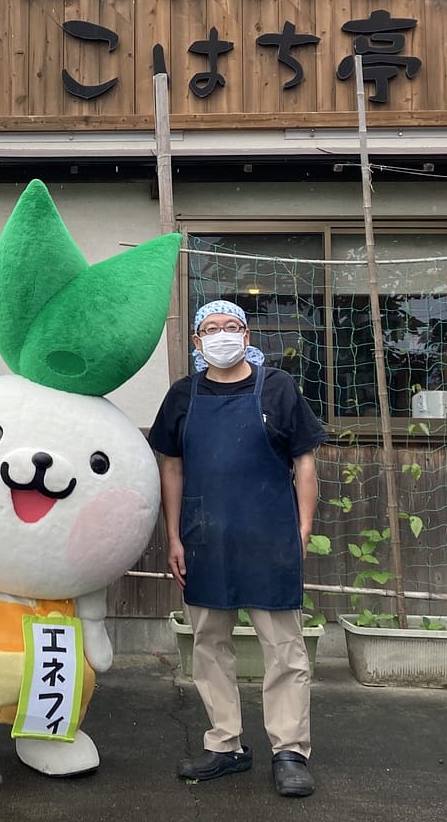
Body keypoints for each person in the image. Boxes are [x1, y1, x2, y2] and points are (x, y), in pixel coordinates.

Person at [148, 299, 325, 796]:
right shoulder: (183, 395)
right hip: (204, 538)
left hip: (270, 535)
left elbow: (304, 462)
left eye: (231, 326)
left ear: (247, 337)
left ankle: (290, 751)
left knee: (284, 649)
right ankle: (225, 744)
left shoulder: (278, 388)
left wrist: (302, 529)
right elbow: (171, 467)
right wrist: (174, 535)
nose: (221, 334)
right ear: (197, 342)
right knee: (209, 644)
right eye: (211, 328)